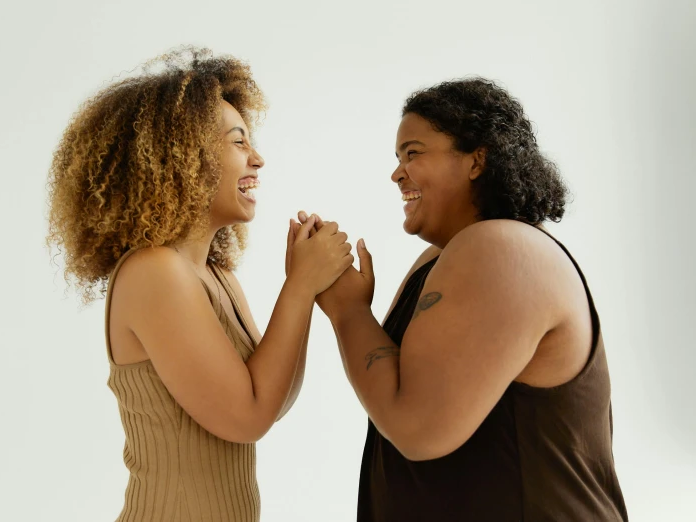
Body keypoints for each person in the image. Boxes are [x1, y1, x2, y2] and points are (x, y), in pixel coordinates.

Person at [46, 48, 353, 522]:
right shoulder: (154, 272)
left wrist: (305, 288)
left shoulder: (216, 276)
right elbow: (248, 417)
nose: (258, 158)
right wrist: (299, 285)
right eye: (238, 142)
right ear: (183, 156)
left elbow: (270, 404)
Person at [303, 78, 628, 521]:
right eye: (398, 158)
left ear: (477, 160)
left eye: (413, 153)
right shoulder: (439, 259)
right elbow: (399, 386)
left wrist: (348, 310)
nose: (397, 173)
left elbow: (417, 430)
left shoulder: (500, 248)